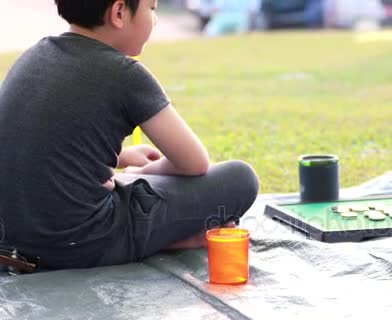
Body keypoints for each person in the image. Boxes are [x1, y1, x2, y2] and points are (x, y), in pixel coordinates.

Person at [0, 0, 259, 270]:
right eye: (152, 9)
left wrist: (123, 157)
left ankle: (159, 235)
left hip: (11, 243)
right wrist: (143, 172)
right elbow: (194, 162)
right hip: (81, 245)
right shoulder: (126, 74)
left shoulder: (33, 56)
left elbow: (38, 141)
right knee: (240, 178)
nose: (155, 20)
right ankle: (164, 239)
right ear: (119, 12)